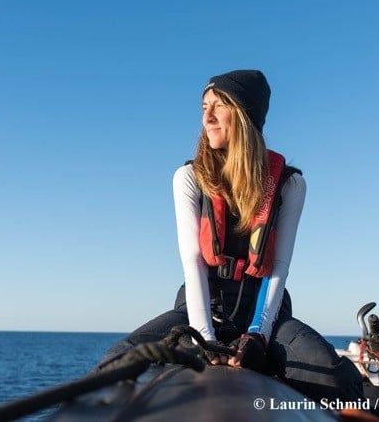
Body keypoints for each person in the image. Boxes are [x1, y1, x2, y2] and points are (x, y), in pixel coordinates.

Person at [100, 69, 364, 402]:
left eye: (218, 106)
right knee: (114, 363)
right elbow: (193, 263)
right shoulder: (189, 178)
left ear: (244, 115)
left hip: (266, 311)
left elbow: (278, 266)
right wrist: (205, 340)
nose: (207, 118)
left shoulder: (290, 185)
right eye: (203, 107)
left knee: (342, 383)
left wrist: (258, 336)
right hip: (202, 307)